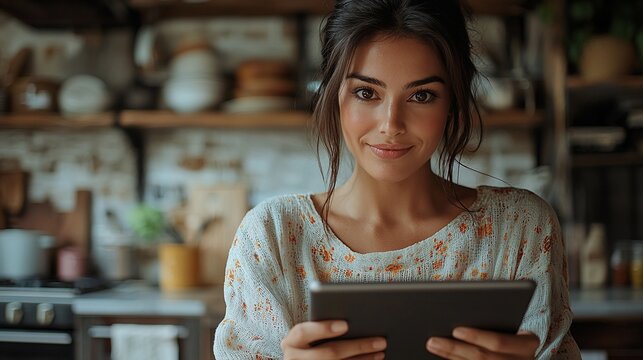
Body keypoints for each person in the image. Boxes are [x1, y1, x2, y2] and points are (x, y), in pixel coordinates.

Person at [214, 0, 581, 358]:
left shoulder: (519, 228)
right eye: (366, 93)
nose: (391, 124)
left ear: (453, 101)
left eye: (422, 95)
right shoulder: (273, 236)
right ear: (332, 94)